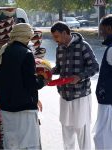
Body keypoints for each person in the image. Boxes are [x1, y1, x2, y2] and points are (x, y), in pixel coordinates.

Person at [0, 23, 45, 150]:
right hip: (24, 109)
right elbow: (30, 83)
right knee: (28, 144)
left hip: (6, 108)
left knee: (12, 144)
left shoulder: (1, 53)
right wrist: (42, 80)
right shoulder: (26, 53)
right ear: (27, 37)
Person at [51, 21, 99, 150]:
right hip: (64, 95)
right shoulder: (59, 48)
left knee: (81, 129)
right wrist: (49, 71)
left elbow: (95, 67)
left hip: (80, 95)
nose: (55, 40)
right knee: (66, 129)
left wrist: (79, 77)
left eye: (56, 36)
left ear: (65, 33)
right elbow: (59, 67)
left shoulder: (83, 46)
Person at [94, 15, 112, 150]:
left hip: (108, 102)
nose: (100, 32)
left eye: (102, 29)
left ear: (109, 28)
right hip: (107, 101)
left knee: (102, 137)